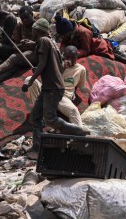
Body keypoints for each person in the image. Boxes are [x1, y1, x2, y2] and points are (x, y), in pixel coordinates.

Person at [25, 18, 89, 159]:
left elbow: (80, 88)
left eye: (72, 58)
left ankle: (79, 133)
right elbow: (48, 68)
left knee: (59, 116)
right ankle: (36, 147)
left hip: (60, 93)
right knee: (36, 115)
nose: (69, 60)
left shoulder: (81, 69)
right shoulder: (57, 57)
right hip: (48, 88)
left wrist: (74, 98)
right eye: (66, 57)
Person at [55, 16, 126, 88]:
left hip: (101, 48)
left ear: (69, 31)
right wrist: (63, 51)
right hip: (82, 48)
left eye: (64, 35)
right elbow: (63, 43)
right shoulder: (67, 33)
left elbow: (85, 50)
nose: (62, 38)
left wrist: (74, 55)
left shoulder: (84, 33)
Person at [0, 15, 46, 89]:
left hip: (36, 54)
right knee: (16, 65)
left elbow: (42, 47)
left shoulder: (44, 38)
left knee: (14, 58)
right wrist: (22, 44)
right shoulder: (21, 25)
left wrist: (33, 44)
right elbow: (15, 44)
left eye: (26, 17)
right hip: (26, 52)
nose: (24, 20)